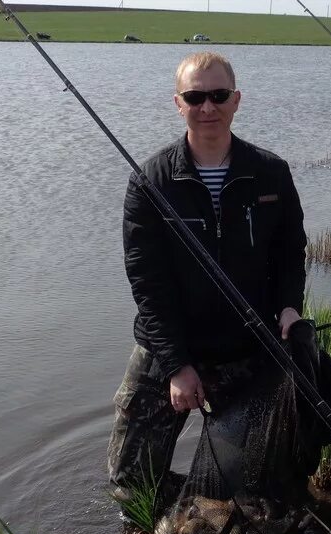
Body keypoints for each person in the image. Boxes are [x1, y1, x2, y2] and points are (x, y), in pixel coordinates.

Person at [108, 52, 307, 502]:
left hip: (247, 344)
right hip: (170, 346)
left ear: (237, 100)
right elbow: (147, 282)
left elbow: (291, 252)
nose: (208, 108)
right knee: (130, 486)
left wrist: (291, 307)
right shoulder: (149, 182)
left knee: (251, 485)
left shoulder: (272, 173)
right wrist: (177, 365)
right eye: (195, 97)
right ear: (178, 103)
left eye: (218, 96)